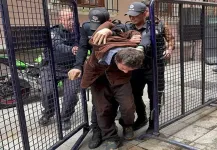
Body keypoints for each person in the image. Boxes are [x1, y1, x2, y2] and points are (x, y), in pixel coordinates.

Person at [91, 1, 175, 134]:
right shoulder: (127, 26)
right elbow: (115, 26)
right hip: (135, 68)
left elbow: (171, 39)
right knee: (135, 95)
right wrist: (107, 28)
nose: (132, 18)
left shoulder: (159, 24)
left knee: (155, 97)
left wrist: (169, 49)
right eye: (130, 15)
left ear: (145, 13)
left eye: (135, 15)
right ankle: (142, 118)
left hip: (155, 67)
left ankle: (154, 125)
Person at [81, 21, 144, 149]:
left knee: (128, 107)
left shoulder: (128, 46)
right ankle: (110, 137)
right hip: (99, 80)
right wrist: (107, 30)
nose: (127, 71)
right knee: (102, 110)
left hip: (120, 80)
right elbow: (108, 24)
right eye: (124, 68)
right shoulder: (99, 44)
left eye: (130, 70)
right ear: (118, 59)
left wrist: (139, 43)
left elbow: (132, 32)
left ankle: (127, 126)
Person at [67, 7, 111, 149]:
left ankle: (110, 132)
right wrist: (77, 66)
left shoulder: (115, 26)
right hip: (95, 70)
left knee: (112, 102)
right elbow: (82, 47)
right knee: (97, 103)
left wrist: (108, 30)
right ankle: (96, 132)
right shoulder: (86, 28)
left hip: (112, 70)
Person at [39, 8, 80, 131]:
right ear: (60, 19)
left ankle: (64, 118)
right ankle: (48, 112)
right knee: (47, 92)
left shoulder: (79, 31)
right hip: (51, 67)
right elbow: (57, 44)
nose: (72, 21)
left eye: (73, 18)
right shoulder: (53, 31)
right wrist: (71, 49)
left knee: (71, 94)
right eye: (68, 19)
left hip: (71, 68)